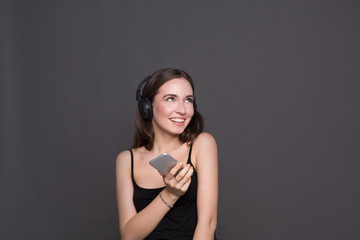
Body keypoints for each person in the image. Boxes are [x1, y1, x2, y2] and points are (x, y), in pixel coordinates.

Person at [116, 68, 218, 239]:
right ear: (147, 107)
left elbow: (208, 224)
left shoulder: (202, 144)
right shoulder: (126, 160)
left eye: (188, 100)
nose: (182, 110)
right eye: (171, 99)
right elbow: (129, 235)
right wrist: (171, 194)